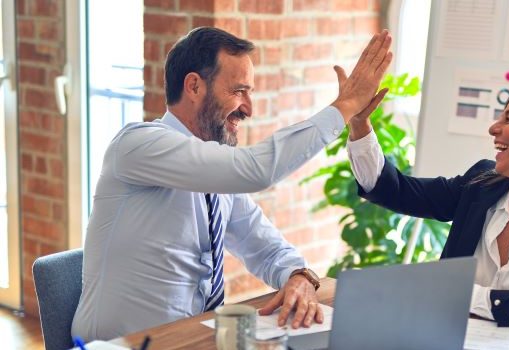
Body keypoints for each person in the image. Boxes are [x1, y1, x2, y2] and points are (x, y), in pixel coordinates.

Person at [72, 27, 392, 341]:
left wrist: (298, 276)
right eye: (239, 91)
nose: (248, 108)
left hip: (192, 339)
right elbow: (257, 170)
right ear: (194, 86)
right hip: (121, 345)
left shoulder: (216, 176)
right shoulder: (138, 145)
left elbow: (263, 245)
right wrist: (345, 106)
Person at [346, 79, 509, 334]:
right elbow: (396, 191)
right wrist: (359, 125)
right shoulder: (481, 185)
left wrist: (458, 294)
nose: (494, 128)